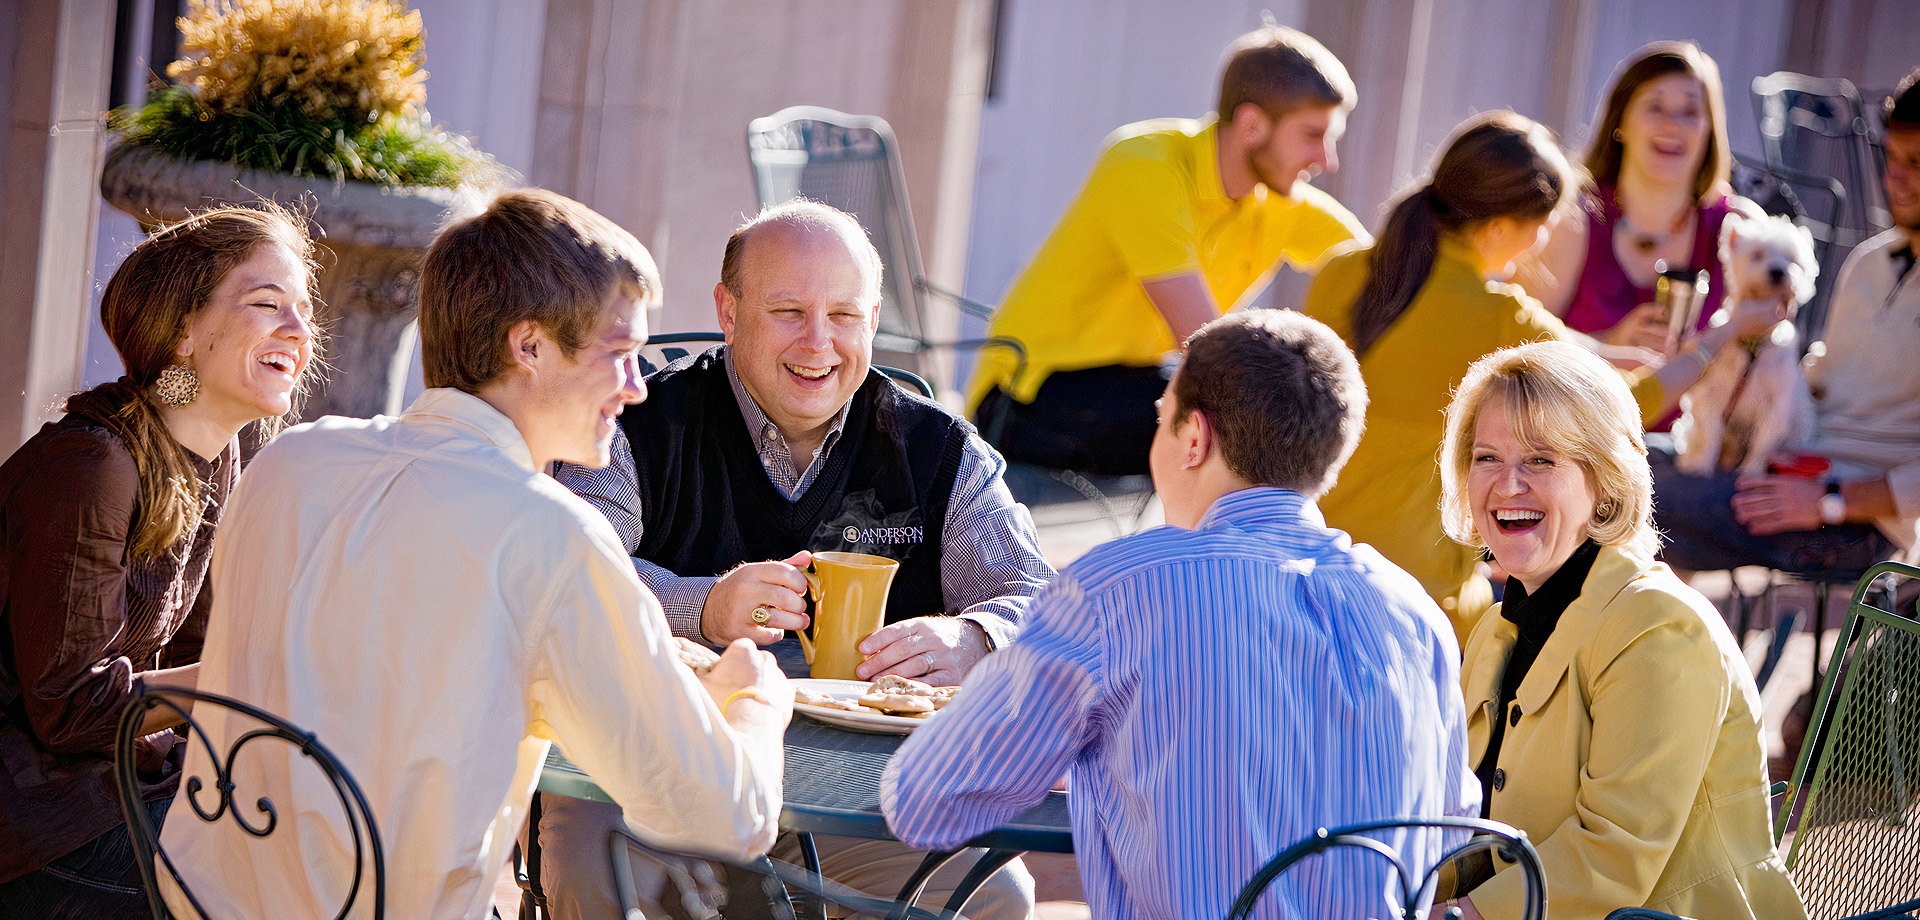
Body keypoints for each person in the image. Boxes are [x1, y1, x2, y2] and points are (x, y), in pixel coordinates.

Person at [157, 189, 791, 920]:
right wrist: (756, 700)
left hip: (203, 903)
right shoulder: (551, 536)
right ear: (528, 347)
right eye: (620, 355)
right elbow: (730, 818)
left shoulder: (290, 463)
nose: (636, 388)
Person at [541, 199, 1051, 919]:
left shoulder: (937, 449)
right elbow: (569, 578)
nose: (819, 343)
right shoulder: (637, 427)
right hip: (647, 772)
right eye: (788, 311)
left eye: (844, 315)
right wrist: (706, 606)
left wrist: (975, 637)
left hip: (866, 796)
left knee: (995, 898)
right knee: (590, 870)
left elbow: (1042, 600)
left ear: (874, 320)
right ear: (728, 309)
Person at [886, 310, 1479, 919]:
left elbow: (929, 796)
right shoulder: (1417, 613)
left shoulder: (1122, 586)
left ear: (1194, 438)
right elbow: (1452, 821)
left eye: (1160, 418)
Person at [1305, 111, 1787, 643]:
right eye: (1540, 228)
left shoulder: (1342, 271)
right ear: (1496, 228)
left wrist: (1610, 346)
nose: (1537, 247)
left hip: (1315, 567)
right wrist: (1725, 334)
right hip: (1421, 602)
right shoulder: (1502, 318)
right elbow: (1632, 405)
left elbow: (1560, 350)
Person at [0, 204, 319, 919]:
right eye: (268, 305)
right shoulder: (91, 465)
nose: (299, 332)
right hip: (36, 825)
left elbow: (197, 644)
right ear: (182, 331)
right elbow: (70, 707)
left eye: (303, 310)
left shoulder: (219, 454)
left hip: (112, 786)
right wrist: (245, 679)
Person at [1436, 341, 1804, 920]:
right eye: (1486, 458)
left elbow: (1611, 856)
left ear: (1604, 481)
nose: (1507, 485)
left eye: (1541, 460)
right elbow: (1461, 821)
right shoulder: (1497, 625)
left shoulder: (1659, 626)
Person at [966, 23, 1369, 475]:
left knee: (1260, 424)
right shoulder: (1146, 166)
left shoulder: (1276, 199)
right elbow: (1204, 344)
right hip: (1028, 397)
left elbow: (1379, 266)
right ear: (1253, 125)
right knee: (1246, 432)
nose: (1326, 160)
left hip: (1131, 385)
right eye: (1313, 136)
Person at [1652, 68, 1920, 578]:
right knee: (1607, 459)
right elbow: (1826, 377)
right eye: (1892, 158)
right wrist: (1746, 359)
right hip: (1789, 462)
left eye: (1917, 164)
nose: (1895, 180)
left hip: (1855, 523)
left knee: (1631, 498)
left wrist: (1830, 502)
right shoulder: (1869, 262)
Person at [1522, 41, 1764, 355]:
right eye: (1655, 106)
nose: (1672, 124)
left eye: (1690, 111)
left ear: (1709, 130)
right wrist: (1609, 344)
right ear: (1620, 121)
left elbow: (1767, 356)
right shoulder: (1569, 220)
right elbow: (1516, 347)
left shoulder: (1739, 229)